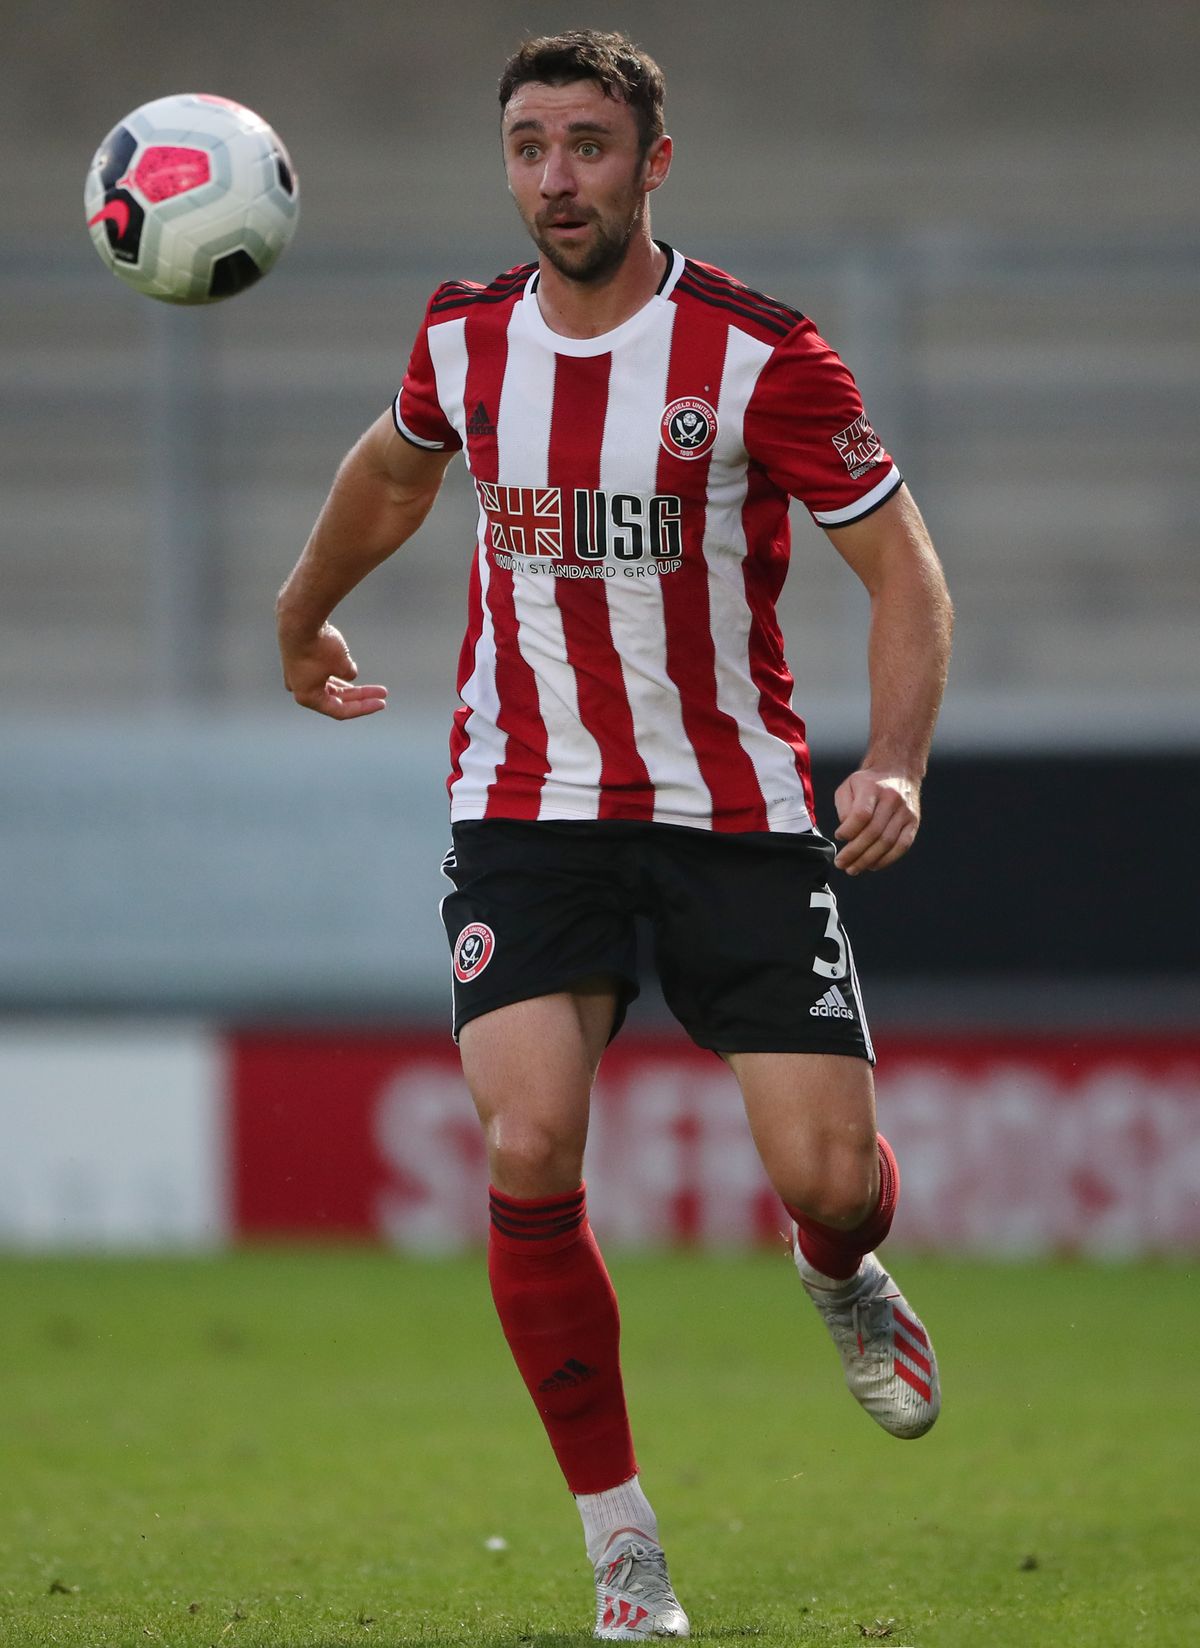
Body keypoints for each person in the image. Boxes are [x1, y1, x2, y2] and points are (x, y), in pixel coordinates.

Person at [276, 28, 952, 1641]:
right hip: (527, 804)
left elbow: (908, 575)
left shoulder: (763, 357)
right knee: (524, 1147)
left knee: (834, 1176)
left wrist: (903, 763)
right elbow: (390, 471)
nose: (554, 178)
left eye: (587, 146)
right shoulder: (461, 341)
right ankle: (621, 1543)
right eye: (528, 146)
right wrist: (303, 616)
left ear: (655, 162)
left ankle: (843, 1269)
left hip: (734, 813)